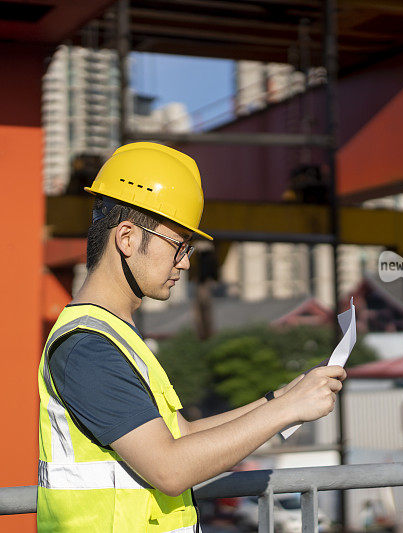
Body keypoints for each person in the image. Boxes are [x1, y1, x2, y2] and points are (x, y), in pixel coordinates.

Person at [36, 142, 346, 532]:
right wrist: (285, 411)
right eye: (178, 244)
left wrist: (278, 400)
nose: (184, 261)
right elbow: (169, 468)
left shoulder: (116, 335)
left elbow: (182, 435)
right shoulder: (87, 347)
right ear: (127, 238)